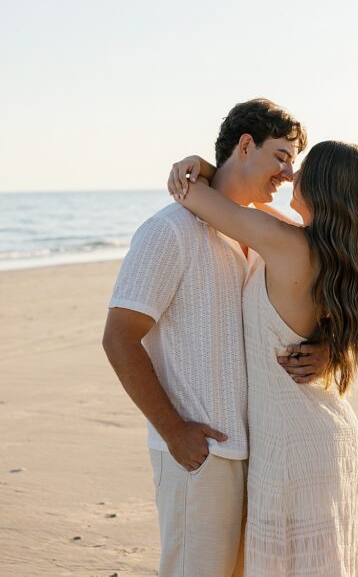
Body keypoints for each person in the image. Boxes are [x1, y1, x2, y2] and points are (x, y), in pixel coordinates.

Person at [103, 98, 316, 576]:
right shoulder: (169, 231)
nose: (287, 174)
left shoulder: (261, 235)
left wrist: (326, 352)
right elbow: (118, 337)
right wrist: (174, 433)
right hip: (201, 454)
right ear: (245, 146)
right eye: (280, 156)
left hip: (260, 453)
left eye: (293, 162)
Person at [167, 137, 358, 576]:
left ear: (322, 184)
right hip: (320, 434)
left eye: (301, 168)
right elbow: (236, 203)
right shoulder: (322, 248)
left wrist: (193, 166)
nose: (292, 174)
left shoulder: (285, 243)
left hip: (292, 441)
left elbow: (195, 196)